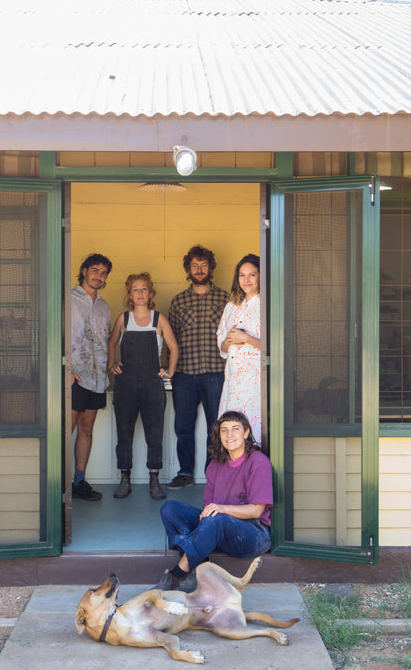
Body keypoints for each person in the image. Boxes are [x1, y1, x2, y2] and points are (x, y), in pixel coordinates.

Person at [157, 410, 272, 590]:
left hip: (252, 534)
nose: (229, 434)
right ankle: (199, 562)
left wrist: (223, 509)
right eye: (224, 430)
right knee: (170, 509)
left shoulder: (258, 462)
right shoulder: (215, 465)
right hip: (219, 528)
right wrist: (211, 519)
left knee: (216, 517)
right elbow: (208, 508)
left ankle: (177, 575)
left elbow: (256, 510)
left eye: (235, 429)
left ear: (246, 433)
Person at [108, 272, 179, 500]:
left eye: (144, 289)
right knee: (124, 432)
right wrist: (112, 364)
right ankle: (124, 479)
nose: (140, 293)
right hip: (126, 384)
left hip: (152, 384)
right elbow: (111, 342)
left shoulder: (159, 319)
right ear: (130, 294)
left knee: (154, 433)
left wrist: (170, 372)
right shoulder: (123, 319)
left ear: (151, 293)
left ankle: (154, 480)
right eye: (135, 289)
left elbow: (174, 347)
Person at [167, 245, 230, 489]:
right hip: (184, 373)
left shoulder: (225, 299)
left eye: (203, 265)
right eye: (194, 265)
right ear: (188, 268)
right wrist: (169, 371)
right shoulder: (179, 301)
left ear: (210, 268)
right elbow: (170, 341)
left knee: (217, 426)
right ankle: (184, 473)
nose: (199, 269)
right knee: (183, 425)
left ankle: (213, 474)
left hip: (216, 371)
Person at [71, 253, 113, 501]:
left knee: (87, 429)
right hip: (74, 376)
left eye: (104, 273)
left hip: (96, 377)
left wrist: (108, 368)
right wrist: (64, 370)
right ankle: (60, 486)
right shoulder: (69, 299)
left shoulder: (104, 305)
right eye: (95, 270)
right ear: (84, 270)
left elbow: (106, 339)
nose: (99, 276)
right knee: (68, 430)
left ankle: (78, 482)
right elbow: (54, 334)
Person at [217, 254, 262, 444]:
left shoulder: (267, 305)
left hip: (256, 380)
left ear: (261, 276)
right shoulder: (231, 306)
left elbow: (277, 345)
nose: (246, 280)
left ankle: (254, 470)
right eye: (242, 275)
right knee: (232, 430)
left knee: (253, 428)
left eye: (252, 275)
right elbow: (221, 345)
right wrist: (228, 341)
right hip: (233, 380)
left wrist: (246, 338)